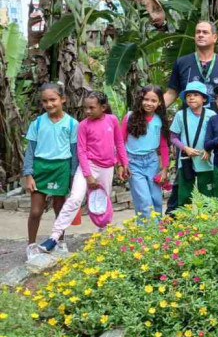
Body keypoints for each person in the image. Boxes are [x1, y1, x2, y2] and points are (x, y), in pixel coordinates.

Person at [163, 21, 218, 212]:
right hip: (189, 133)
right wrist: (148, 110)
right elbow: (171, 93)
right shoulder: (182, 62)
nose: (200, 35)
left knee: (217, 178)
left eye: (205, 32)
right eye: (197, 32)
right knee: (183, 178)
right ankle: (173, 221)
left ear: (214, 37)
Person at [38, 91, 127, 253]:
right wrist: (88, 175)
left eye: (91, 108)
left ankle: (104, 234)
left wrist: (123, 163)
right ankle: (54, 237)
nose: (87, 111)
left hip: (107, 168)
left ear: (103, 107)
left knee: (102, 203)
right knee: (74, 199)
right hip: (88, 166)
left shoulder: (112, 120)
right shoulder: (83, 125)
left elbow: (119, 143)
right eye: (85, 108)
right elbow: (81, 152)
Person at [23, 83, 79, 258]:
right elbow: (30, 151)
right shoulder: (37, 123)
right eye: (45, 101)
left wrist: (73, 177)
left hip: (61, 168)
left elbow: (74, 153)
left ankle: (60, 241)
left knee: (60, 208)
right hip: (41, 168)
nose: (49, 104)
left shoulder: (72, 123)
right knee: (36, 211)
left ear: (63, 99)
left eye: (53, 100)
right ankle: (31, 245)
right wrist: (29, 174)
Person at [122, 85, 170, 220]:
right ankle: (145, 234)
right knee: (144, 200)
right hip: (133, 164)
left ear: (160, 103)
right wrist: (121, 164)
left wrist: (165, 169)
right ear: (140, 99)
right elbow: (120, 141)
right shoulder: (129, 117)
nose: (149, 103)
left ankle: (158, 232)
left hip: (152, 163)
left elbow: (164, 146)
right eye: (146, 99)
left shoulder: (159, 121)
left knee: (156, 199)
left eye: (153, 101)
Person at [169, 81, 216, 205]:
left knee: (208, 194)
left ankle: (209, 221)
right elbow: (173, 137)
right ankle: (184, 221)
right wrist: (184, 148)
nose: (191, 97)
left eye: (195, 94)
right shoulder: (180, 115)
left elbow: (216, 136)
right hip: (186, 159)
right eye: (189, 95)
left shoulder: (211, 115)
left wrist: (209, 149)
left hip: (206, 159)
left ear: (204, 98)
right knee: (184, 193)